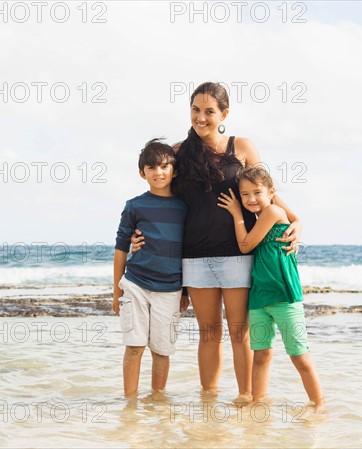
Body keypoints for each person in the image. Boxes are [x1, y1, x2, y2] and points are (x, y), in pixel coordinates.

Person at [131, 82, 302, 402]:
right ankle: (208, 401)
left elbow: (267, 192)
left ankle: (246, 399)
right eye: (195, 110)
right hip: (194, 257)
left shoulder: (243, 147)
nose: (201, 117)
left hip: (238, 254)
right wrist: (140, 234)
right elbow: (161, 196)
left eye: (209, 111)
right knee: (209, 334)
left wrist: (296, 220)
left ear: (224, 113)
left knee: (240, 333)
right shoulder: (179, 153)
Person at [217, 166, 324, 407]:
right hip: (259, 298)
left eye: (257, 192)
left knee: (300, 357)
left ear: (271, 192)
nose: (251, 199)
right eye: (244, 195)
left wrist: (236, 214)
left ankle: (319, 405)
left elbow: (245, 246)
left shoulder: (273, 211)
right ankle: (258, 403)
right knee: (261, 355)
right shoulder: (259, 217)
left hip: (285, 296)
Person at [113, 139, 189, 397]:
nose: (159, 172)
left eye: (165, 166)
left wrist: (186, 291)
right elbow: (121, 246)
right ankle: (130, 404)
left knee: (162, 349)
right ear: (142, 173)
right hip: (135, 283)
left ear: (174, 170)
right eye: (152, 167)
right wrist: (116, 290)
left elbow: (189, 250)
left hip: (170, 289)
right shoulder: (134, 206)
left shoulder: (185, 207)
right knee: (134, 346)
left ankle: (157, 401)